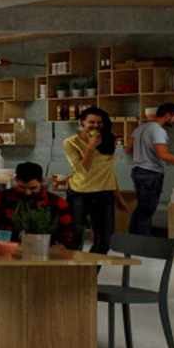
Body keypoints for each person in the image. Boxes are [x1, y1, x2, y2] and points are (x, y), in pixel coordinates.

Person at [129, 102, 174, 235]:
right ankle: (143, 242)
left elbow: (128, 149)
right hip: (151, 173)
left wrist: (145, 155)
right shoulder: (159, 131)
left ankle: (133, 239)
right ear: (167, 115)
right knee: (147, 211)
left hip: (137, 171)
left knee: (141, 209)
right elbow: (163, 155)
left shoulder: (140, 128)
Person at [0, 161, 81, 249]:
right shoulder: (2, 197)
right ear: (16, 180)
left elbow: (69, 236)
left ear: (42, 181)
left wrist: (57, 248)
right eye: (22, 187)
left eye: (33, 188)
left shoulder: (56, 202)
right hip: (7, 249)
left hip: (44, 251)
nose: (28, 192)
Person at [63, 105, 119, 253]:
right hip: (79, 193)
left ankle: (91, 273)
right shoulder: (71, 142)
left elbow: (109, 170)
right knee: (74, 236)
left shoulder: (108, 140)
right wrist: (91, 147)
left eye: (99, 122)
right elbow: (82, 169)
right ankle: (73, 271)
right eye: (91, 122)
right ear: (82, 122)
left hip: (104, 193)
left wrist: (117, 195)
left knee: (105, 239)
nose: (96, 126)